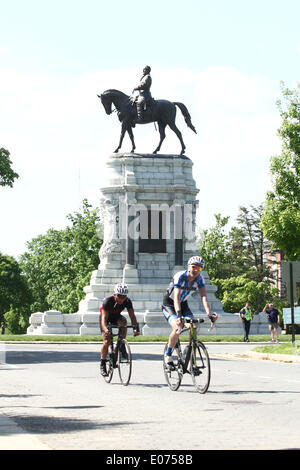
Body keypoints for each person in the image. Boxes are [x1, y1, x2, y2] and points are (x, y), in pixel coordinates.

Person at [162, 256, 218, 370]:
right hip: (170, 304)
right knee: (178, 327)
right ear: (188, 267)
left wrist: (209, 314)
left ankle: (190, 358)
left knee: (193, 327)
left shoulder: (200, 279)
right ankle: (168, 355)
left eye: (199, 268)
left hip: (183, 304)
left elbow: (204, 297)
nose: (196, 270)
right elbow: (176, 297)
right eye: (194, 267)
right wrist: (178, 316)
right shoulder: (180, 276)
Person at [99, 283, 139, 376]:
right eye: (119, 296)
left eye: (124, 296)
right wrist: (105, 330)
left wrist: (135, 328)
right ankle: (103, 363)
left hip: (116, 317)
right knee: (106, 341)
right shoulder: (107, 301)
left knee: (124, 322)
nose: (121, 299)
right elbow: (104, 319)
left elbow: (132, 316)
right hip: (105, 319)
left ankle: (120, 344)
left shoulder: (127, 301)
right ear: (115, 294)